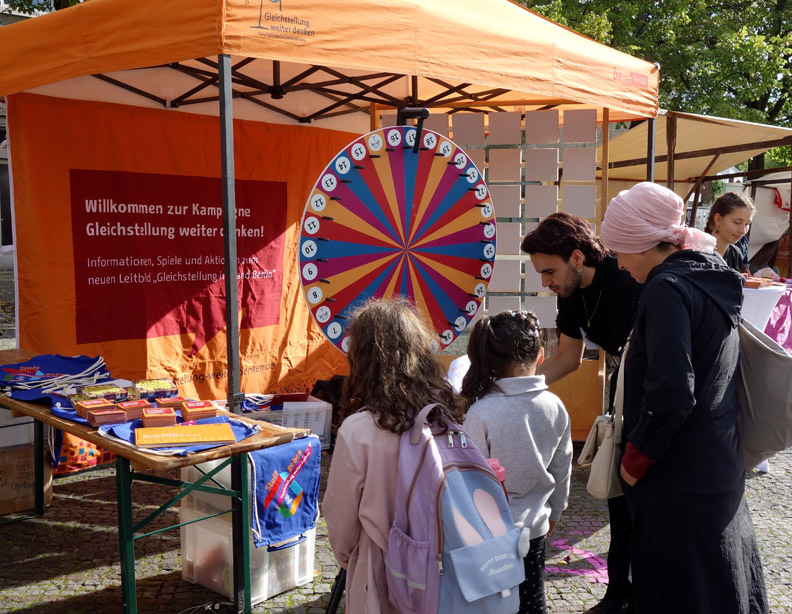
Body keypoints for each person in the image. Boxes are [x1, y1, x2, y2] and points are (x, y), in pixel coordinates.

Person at [600, 181, 769, 614]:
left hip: (678, 477)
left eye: (619, 250)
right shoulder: (708, 273)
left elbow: (673, 390)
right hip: (717, 465)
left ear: (641, 242)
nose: (619, 264)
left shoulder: (666, 287)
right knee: (722, 583)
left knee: (682, 591)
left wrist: (635, 461)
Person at [521, 212, 640, 614]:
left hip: (651, 393)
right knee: (618, 499)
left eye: (549, 271)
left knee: (645, 502)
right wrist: (516, 388)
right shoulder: (569, 294)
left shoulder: (625, 276)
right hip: (623, 394)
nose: (545, 282)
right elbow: (568, 358)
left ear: (576, 257)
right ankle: (616, 595)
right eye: (540, 274)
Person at [322, 297, 467, 614]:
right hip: (444, 561)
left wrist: (353, 558)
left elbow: (340, 518)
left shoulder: (358, 429)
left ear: (362, 357)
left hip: (381, 567)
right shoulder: (445, 413)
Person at [461, 310, 572, 614]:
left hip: (486, 534)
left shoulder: (481, 412)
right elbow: (562, 469)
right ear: (540, 354)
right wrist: (556, 512)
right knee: (533, 601)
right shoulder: (555, 406)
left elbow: (468, 479)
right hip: (535, 527)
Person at [705, 191, 755, 273]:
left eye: (747, 224)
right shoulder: (696, 250)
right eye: (737, 222)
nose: (742, 231)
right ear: (718, 219)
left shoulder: (735, 254)